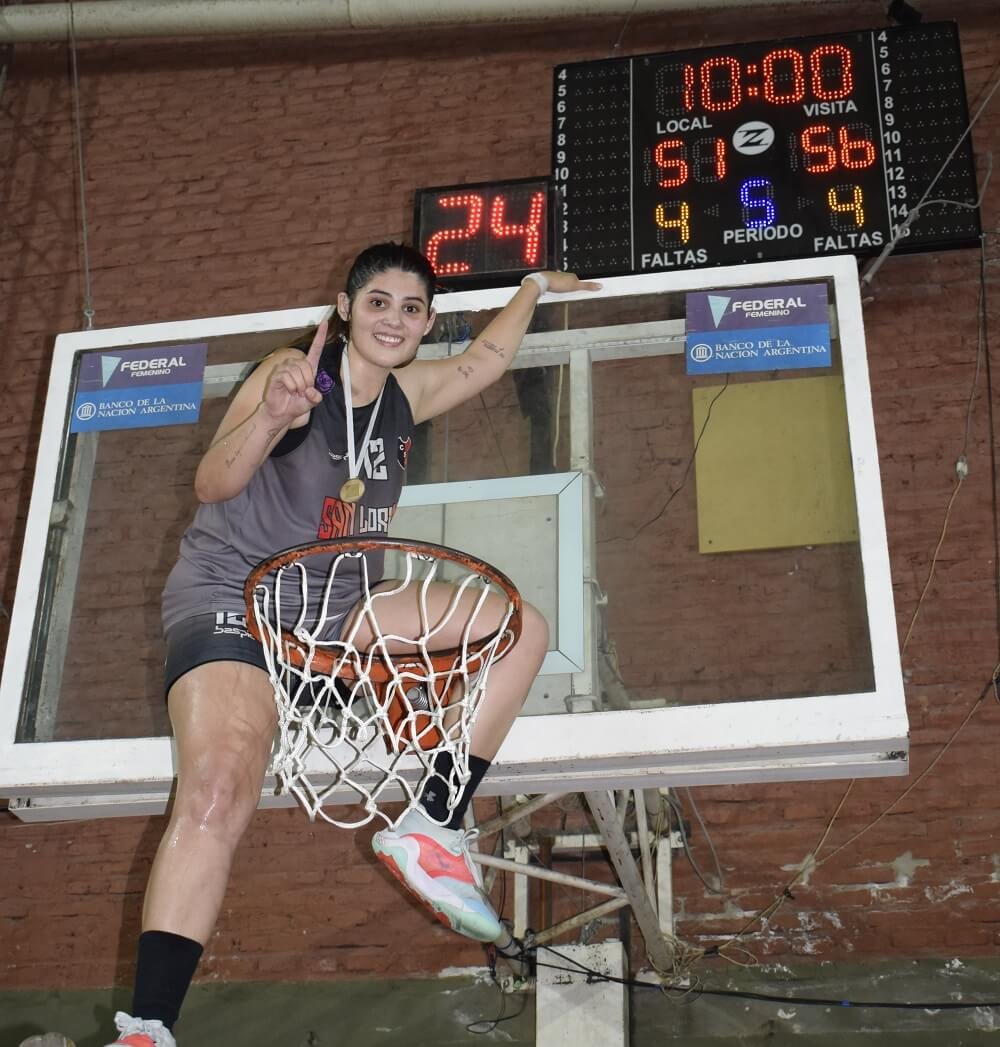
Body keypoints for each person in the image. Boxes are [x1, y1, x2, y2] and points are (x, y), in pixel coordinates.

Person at [103, 243, 600, 1047]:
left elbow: (483, 364)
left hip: (338, 610)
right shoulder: (293, 376)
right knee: (218, 790)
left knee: (522, 629)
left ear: (425, 320)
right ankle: (148, 1028)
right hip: (238, 597)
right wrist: (271, 416)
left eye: (412, 308)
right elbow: (212, 483)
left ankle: (434, 819)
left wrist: (533, 288)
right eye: (379, 303)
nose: (395, 319)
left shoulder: (405, 395)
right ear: (344, 307)